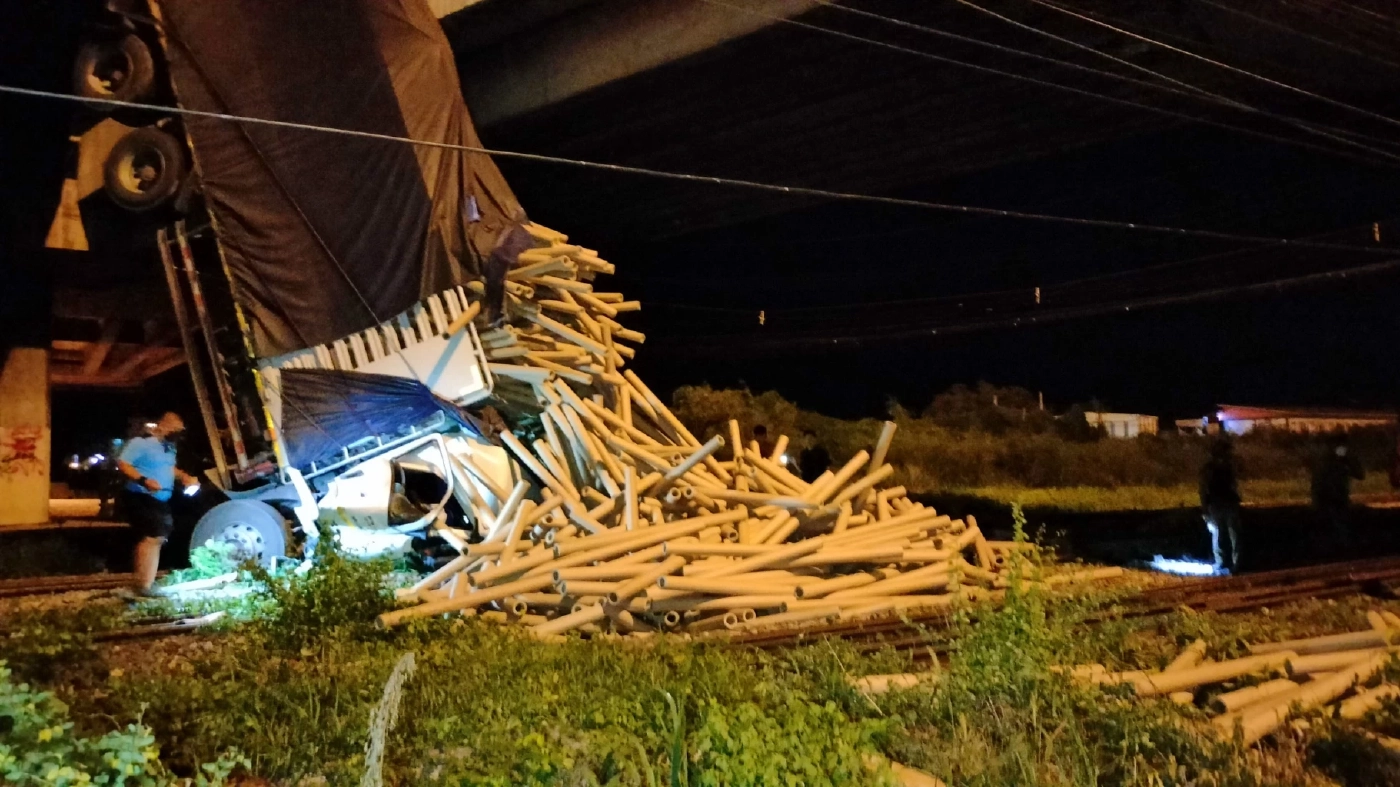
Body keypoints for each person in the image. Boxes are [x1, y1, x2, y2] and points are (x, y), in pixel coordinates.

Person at [115, 412, 199, 597]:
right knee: (153, 536)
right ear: (162, 426)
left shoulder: (170, 449)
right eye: (175, 430)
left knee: (158, 537)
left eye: (180, 431)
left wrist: (184, 477)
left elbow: (169, 467)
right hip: (140, 495)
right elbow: (123, 464)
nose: (177, 434)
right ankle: (143, 585)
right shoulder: (141, 443)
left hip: (160, 498)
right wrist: (144, 480)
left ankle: (147, 583)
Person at [1312, 433, 1364, 554]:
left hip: (1340, 499)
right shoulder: (1325, 461)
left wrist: (1349, 461)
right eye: (1338, 446)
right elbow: (1318, 481)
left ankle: (1341, 549)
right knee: (1331, 526)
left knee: (1340, 525)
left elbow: (1360, 475)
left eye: (1343, 446)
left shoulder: (1346, 461)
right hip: (1327, 499)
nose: (1341, 449)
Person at [1199, 438, 1242, 572]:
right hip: (1223, 503)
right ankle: (1233, 562)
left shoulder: (1211, 468)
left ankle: (1224, 562)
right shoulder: (1222, 468)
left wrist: (1205, 509)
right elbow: (1204, 488)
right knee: (1229, 534)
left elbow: (1203, 489)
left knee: (1221, 534)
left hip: (1218, 503)